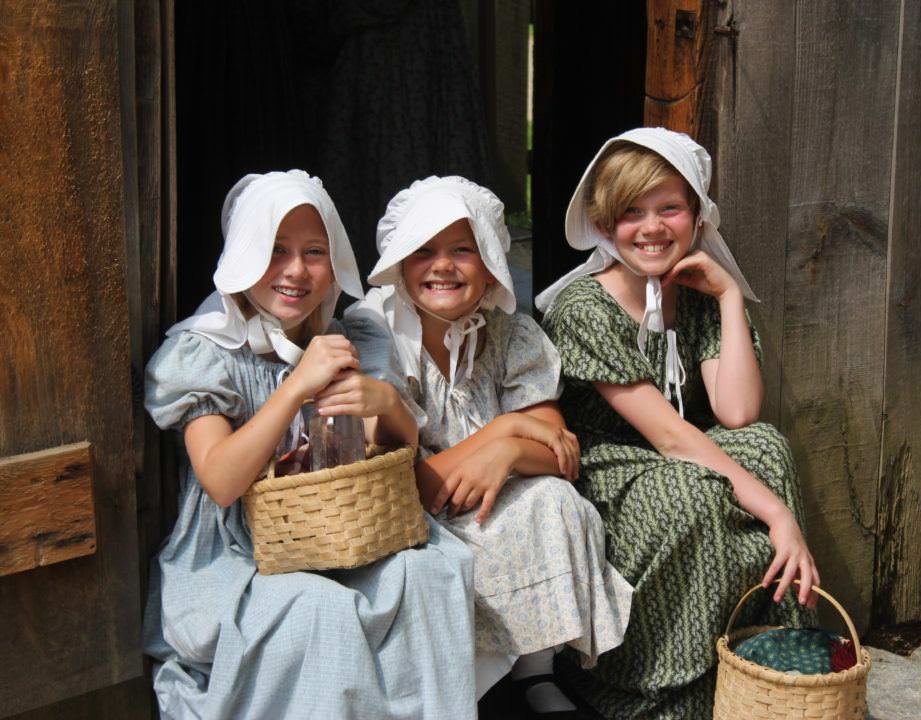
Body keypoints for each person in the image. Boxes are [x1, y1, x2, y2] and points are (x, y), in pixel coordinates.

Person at [142, 170, 478, 719]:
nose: (296, 270)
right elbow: (223, 482)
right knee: (320, 608)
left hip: (337, 531)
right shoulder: (205, 351)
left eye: (314, 251)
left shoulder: (351, 337)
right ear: (243, 256)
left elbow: (388, 448)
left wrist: (385, 403)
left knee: (430, 572)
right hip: (236, 555)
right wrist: (296, 385)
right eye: (275, 250)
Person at [537, 128, 820, 719]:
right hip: (608, 468)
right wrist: (777, 512)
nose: (652, 227)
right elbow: (667, 434)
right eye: (631, 212)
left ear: (696, 215)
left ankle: (780, 668)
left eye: (670, 208)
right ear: (604, 223)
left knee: (764, 446)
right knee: (688, 490)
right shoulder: (583, 308)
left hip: (681, 454)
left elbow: (737, 414)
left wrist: (728, 298)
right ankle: (663, 697)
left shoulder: (695, 295)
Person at [346, 175, 633, 718]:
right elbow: (409, 485)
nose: (442, 266)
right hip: (405, 515)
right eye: (424, 251)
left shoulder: (507, 332)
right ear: (400, 261)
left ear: (491, 262)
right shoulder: (378, 332)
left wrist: (507, 456)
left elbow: (559, 452)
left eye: (463, 249)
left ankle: (534, 669)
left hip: (482, 500)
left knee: (556, 501)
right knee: (439, 561)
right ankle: (463, 689)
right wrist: (501, 433)